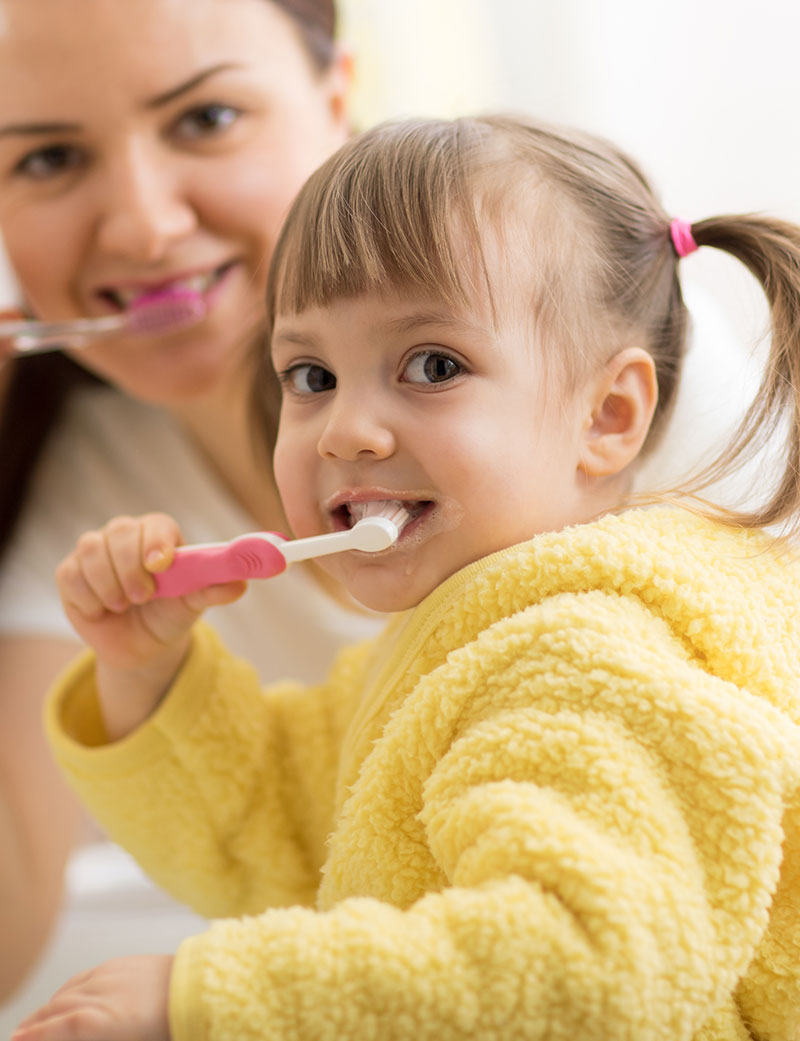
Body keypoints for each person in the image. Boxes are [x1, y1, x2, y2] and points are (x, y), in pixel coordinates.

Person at [13, 114, 800, 1040]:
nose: (346, 429)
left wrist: (214, 999)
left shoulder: (590, 667)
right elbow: (284, 832)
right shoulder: (464, 645)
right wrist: (146, 674)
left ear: (608, 416)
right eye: (310, 375)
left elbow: (588, 968)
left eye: (432, 366)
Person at [0, 0, 393, 1011]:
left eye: (205, 120)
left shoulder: (612, 359)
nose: (141, 224)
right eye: (45, 160)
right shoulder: (96, 477)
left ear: (337, 99)